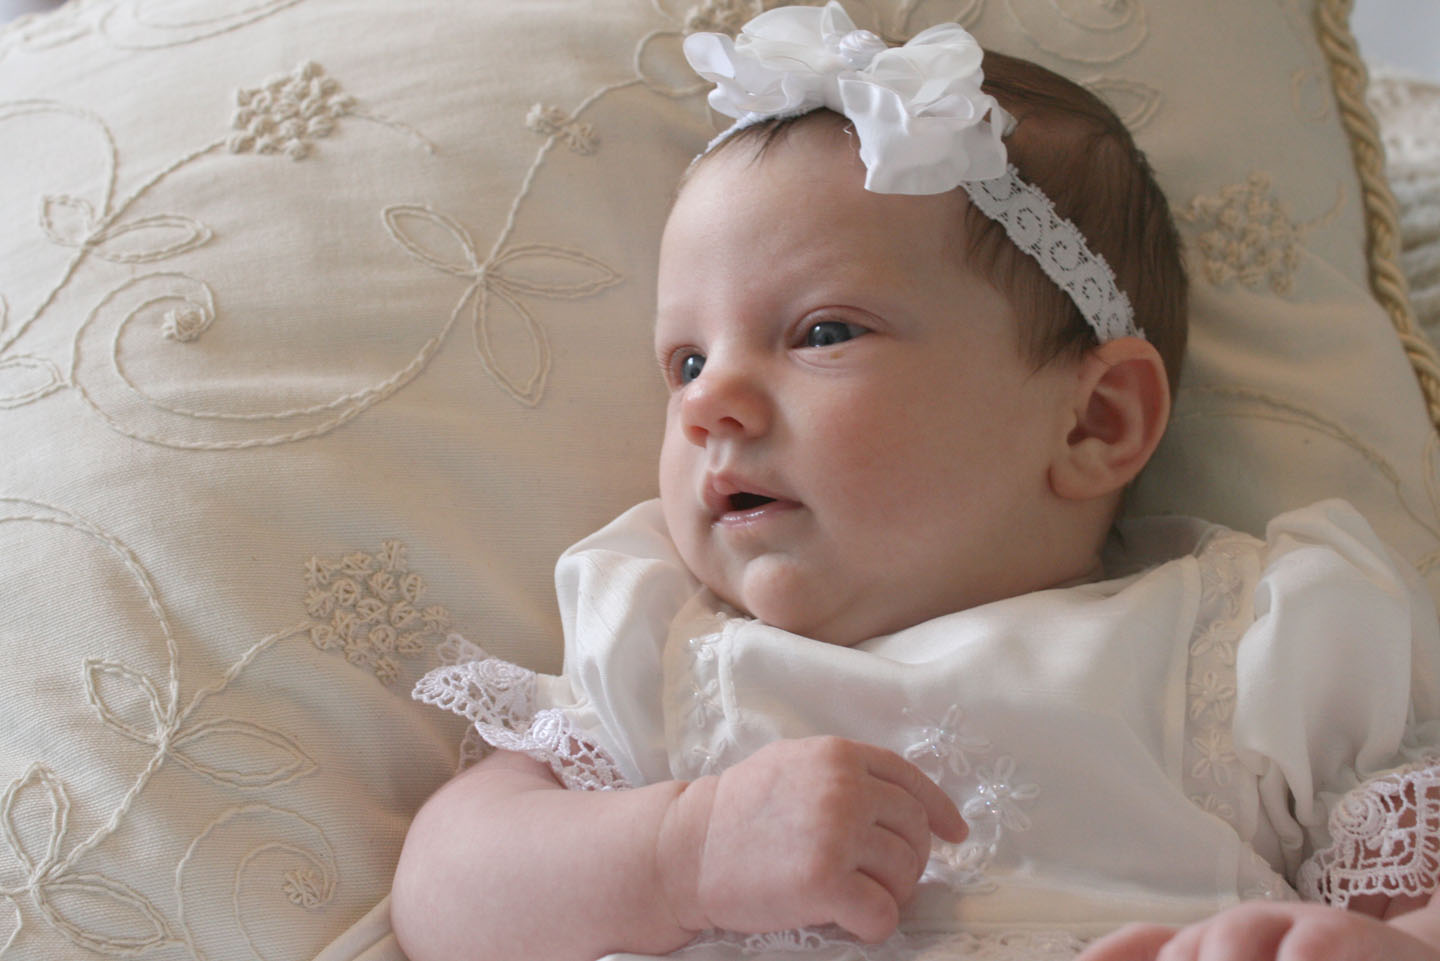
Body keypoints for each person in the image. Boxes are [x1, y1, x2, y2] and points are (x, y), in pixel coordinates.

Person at [388, 4, 1440, 960]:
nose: (709, 405)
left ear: (1094, 421)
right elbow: (444, 897)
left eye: (822, 333)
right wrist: (680, 851)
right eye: (688, 362)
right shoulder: (667, 651)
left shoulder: (1249, 642)